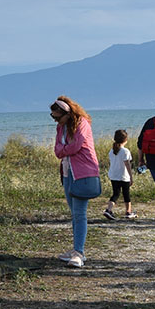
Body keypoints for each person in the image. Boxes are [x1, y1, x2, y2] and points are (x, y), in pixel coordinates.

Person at [51, 96, 100, 269]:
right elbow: (58, 150)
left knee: (80, 214)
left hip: (83, 173)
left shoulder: (82, 124)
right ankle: (76, 249)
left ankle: (79, 253)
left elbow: (75, 146)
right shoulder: (60, 128)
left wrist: (63, 150)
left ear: (67, 113)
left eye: (57, 117)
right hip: (67, 173)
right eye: (53, 117)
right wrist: (64, 150)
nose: (56, 120)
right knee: (74, 214)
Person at [104, 129, 134, 220]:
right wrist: (131, 177)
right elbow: (127, 164)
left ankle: (108, 209)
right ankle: (128, 211)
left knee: (116, 193)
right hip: (123, 176)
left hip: (113, 175)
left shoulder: (112, 151)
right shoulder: (125, 151)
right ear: (125, 139)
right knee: (126, 194)